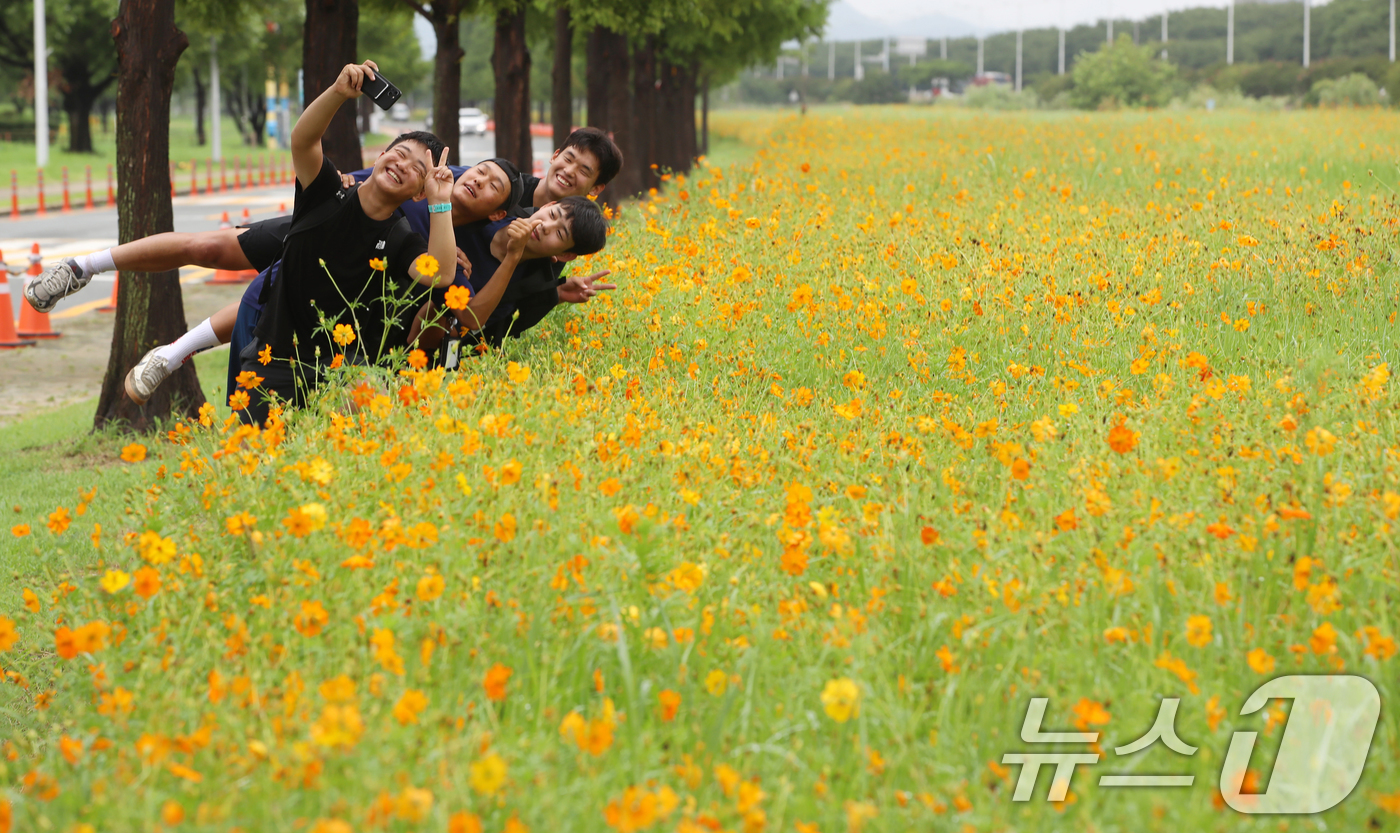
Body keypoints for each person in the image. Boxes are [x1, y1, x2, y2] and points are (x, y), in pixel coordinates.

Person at [229, 60, 456, 425]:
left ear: (418, 192)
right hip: (276, 358)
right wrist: (338, 93)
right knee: (254, 465)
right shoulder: (326, 192)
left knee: (365, 425)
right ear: (380, 156)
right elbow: (304, 141)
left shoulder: (401, 238)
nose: (402, 165)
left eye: (418, 169)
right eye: (399, 154)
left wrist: (440, 199)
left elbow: (441, 275)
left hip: (342, 369)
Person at [441, 196, 609, 364]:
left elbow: (460, 331)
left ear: (564, 255)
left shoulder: (518, 288)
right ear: (547, 205)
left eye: (559, 233)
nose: (545, 227)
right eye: (552, 215)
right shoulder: (491, 208)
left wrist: (446, 378)